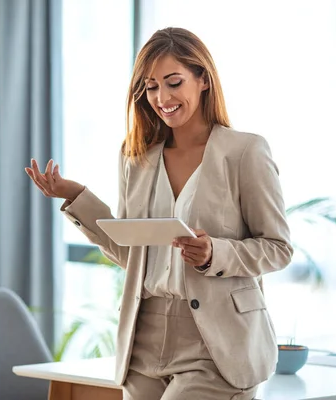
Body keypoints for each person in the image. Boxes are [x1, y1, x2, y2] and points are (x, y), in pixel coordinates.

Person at [25, 27, 292, 400]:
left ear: (202, 79)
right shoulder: (137, 157)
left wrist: (216, 252)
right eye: (151, 87)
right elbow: (131, 254)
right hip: (144, 339)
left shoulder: (244, 152)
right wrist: (75, 196)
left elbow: (278, 248)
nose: (162, 98)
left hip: (216, 344)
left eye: (173, 82)